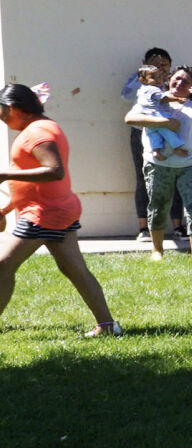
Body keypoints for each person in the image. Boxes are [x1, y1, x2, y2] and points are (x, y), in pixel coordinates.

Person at [0, 84, 123, 336]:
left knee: (3, 265)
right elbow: (32, 182)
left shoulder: (38, 133)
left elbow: (55, 171)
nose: (0, 118)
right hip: (55, 209)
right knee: (74, 269)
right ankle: (108, 325)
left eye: (0, 111)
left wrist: (3, 174)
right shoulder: (39, 127)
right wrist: (8, 207)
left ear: (12, 108)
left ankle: (107, 325)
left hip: (44, 215)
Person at [124, 66, 192, 264]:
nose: (179, 83)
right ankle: (157, 250)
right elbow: (130, 118)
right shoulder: (153, 97)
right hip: (158, 164)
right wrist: (164, 121)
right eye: (176, 79)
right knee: (158, 205)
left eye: (186, 81)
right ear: (169, 80)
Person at [119, 46, 183, 241]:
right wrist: (149, 76)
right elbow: (126, 96)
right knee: (142, 177)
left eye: (164, 64)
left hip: (170, 132)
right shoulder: (140, 78)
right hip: (142, 132)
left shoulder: (176, 79)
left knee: (175, 177)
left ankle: (178, 227)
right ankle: (143, 228)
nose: (161, 69)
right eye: (156, 64)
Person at [129, 64, 190, 159]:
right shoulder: (152, 89)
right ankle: (177, 147)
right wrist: (177, 99)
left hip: (148, 118)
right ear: (143, 80)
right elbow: (163, 98)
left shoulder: (141, 90)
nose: (158, 80)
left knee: (153, 135)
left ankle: (156, 151)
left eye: (160, 77)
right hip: (158, 115)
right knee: (168, 132)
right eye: (153, 77)